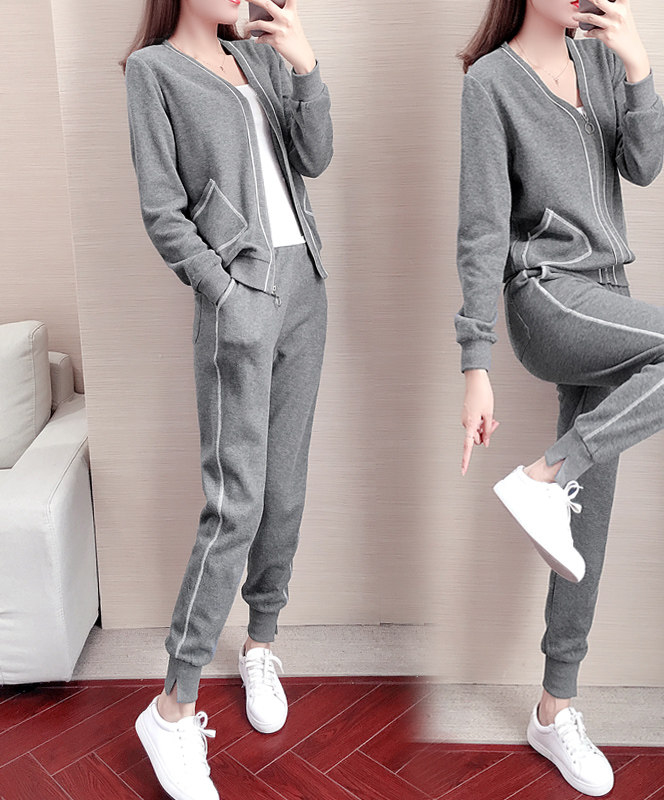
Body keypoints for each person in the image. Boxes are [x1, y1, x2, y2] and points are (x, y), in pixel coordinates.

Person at [454, 0, 664, 795]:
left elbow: (642, 166)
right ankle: (543, 475)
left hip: (608, 299)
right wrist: (475, 363)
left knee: (587, 524)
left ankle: (555, 708)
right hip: (547, 297)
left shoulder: (603, 60)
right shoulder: (490, 83)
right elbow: (481, 228)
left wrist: (639, 67)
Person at [121, 0, 333, 797]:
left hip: (305, 286)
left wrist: (305, 66)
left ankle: (260, 645)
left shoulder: (262, 56)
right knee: (235, 501)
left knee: (285, 488)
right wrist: (224, 291)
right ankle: (173, 706)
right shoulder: (153, 72)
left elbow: (316, 157)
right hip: (240, 294)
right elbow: (162, 210)